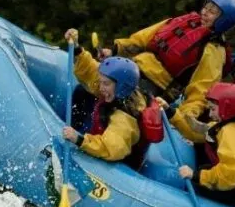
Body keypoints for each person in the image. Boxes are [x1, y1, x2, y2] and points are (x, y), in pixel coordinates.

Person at [101, 0, 235, 141]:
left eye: (213, 12)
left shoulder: (213, 51)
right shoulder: (185, 21)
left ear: (223, 21)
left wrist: (184, 117)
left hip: (157, 86)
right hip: (134, 67)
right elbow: (142, 39)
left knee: (121, 104)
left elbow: (200, 91)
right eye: (206, 7)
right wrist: (115, 49)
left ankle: (107, 141)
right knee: (95, 86)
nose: (206, 12)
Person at [62, 29, 161, 166]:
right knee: (82, 91)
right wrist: (78, 49)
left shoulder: (125, 117)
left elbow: (112, 148)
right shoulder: (119, 88)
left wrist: (79, 140)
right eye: (102, 82)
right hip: (109, 137)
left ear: (120, 86)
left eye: (106, 84)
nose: (101, 87)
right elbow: (92, 72)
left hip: (121, 163)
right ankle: (74, 126)